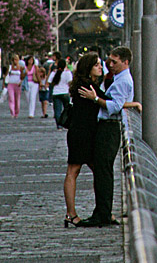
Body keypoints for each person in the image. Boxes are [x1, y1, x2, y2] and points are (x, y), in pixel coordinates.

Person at [78, 46, 140, 227]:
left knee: (103, 172)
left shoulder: (123, 81)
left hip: (109, 128)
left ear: (126, 62)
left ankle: (103, 213)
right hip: (106, 127)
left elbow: (114, 106)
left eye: (115, 61)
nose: (110, 65)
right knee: (102, 171)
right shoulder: (117, 79)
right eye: (109, 61)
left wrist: (94, 98)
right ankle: (103, 211)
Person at [63, 52, 103, 227]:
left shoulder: (88, 84)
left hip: (85, 132)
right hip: (81, 133)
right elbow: (107, 101)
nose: (101, 67)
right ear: (88, 68)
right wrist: (133, 104)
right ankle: (71, 213)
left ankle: (102, 210)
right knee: (74, 170)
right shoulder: (86, 86)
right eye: (97, 65)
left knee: (97, 171)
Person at [48, 58, 72, 129]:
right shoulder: (67, 72)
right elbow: (70, 82)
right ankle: (66, 122)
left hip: (56, 93)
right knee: (67, 109)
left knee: (57, 110)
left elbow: (50, 82)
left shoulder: (54, 72)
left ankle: (59, 125)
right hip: (65, 92)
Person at [7, 54, 25, 118]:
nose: (15, 61)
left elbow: (22, 76)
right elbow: (6, 76)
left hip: (17, 84)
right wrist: (5, 84)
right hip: (10, 84)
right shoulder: (9, 67)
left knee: (17, 99)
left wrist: (21, 81)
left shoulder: (20, 67)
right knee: (11, 98)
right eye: (14, 60)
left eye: (16, 60)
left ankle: (17, 112)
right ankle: (12, 112)